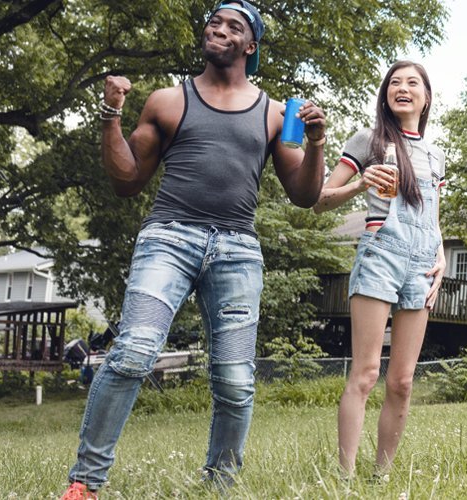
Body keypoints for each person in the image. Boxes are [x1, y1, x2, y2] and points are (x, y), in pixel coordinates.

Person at [63, 2, 328, 498]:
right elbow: (127, 181)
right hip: (168, 237)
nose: (218, 29)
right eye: (214, 21)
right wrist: (110, 115)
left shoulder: (277, 113)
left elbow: (305, 195)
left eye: (234, 26)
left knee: (234, 381)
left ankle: (220, 486)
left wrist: (314, 143)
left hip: (238, 250)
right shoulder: (168, 100)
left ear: (251, 46)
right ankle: (85, 483)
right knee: (134, 352)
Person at [312, 60, 447, 479]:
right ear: (386, 94)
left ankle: (382, 475)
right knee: (367, 372)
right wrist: (360, 183)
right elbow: (320, 198)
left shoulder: (437, 156)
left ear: (426, 97)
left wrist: (441, 259)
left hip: (423, 262)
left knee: (403, 381)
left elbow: (432, 216)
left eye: (412, 83)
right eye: (394, 82)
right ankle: (345, 475)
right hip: (380, 254)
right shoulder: (367, 140)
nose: (402, 88)